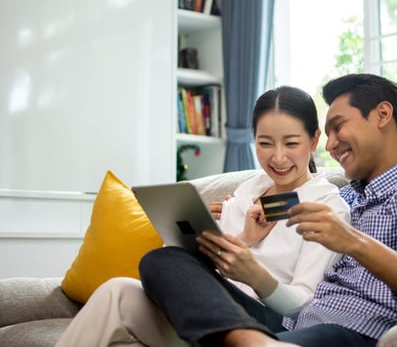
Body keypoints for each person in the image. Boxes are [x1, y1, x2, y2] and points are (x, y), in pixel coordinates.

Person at [139, 73, 397, 347]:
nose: (330, 146)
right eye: (327, 134)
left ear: (382, 115)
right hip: (290, 324)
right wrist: (235, 227)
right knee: (163, 260)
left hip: (355, 331)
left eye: (338, 127)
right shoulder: (349, 197)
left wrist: (354, 242)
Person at [55, 86, 350, 347]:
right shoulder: (246, 192)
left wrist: (255, 275)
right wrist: (238, 240)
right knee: (120, 288)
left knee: (161, 262)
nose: (278, 157)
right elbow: (179, 270)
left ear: (313, 141)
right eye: (265, 143)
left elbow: (302, 306)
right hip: (203, 311)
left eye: (291, 143)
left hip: (267, 323)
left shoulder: (326, 206)